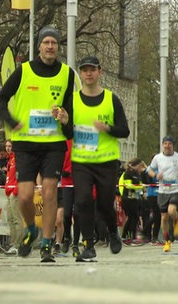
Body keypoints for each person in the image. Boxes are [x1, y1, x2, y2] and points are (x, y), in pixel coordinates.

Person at [0, 26, 74, 262]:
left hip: (53, 143)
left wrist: (66, 118)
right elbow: (0, 100)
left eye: (54, 43)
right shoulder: (24, 70)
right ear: (39, 46)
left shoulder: (67, 74)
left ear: (58, 47)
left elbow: (71, 110)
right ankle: (31, 229)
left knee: (50, 193)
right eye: (46, 42)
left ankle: (47, 244)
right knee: (26, 196)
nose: (50, 46)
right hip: (26, 143)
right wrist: (11, 121)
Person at [53, 55, 129, 261]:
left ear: (99, 72)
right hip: (82, 160)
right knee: (83, 200)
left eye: (92, 69)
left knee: (104, 204)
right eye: (84, 70)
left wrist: (107, 128)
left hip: (106, 161)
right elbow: (68, 133)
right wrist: (65, 121)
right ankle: (88, 245)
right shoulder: (73, 99)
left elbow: (125, 131)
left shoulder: (111, 99)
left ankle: (113, 232)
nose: (88, 73)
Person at [148, 136, 178, 253]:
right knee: (164, 217)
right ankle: (166, 242)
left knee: (171, 211)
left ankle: (176, 221)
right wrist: (155, 175)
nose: (167, 146)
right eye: (165, 143)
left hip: (175, 189)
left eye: (169, 143)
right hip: (162, 190)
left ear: (172, 145)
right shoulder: (157, 158)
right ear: (162, 145)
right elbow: (149, 170)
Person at [3, 139, 23, 256]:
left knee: (16, 218)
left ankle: (18, 244)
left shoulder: (18, 158)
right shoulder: (9, 160)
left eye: (10, 146)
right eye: (6, 146)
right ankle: (13, 243)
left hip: (15, 192)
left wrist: (16, 190)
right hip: (9, 191)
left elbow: (21, 175)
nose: (8, 148)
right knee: (10, 219)